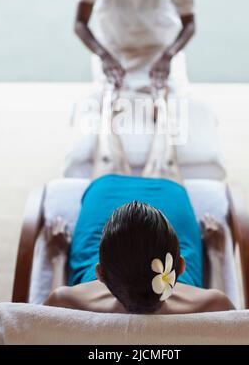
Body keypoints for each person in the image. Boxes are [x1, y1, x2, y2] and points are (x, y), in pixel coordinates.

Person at [44, 87, 234, 314]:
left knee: (109, 163)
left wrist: (58, 257)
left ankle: (110, 109)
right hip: (157, 234)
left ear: (100, 274)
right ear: (180, 266)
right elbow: (228, 321)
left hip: (115, 237)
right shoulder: (215, 306)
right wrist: (215, 254)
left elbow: (45, 320)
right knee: (163, 166)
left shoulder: (64, 303)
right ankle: (160, 113)